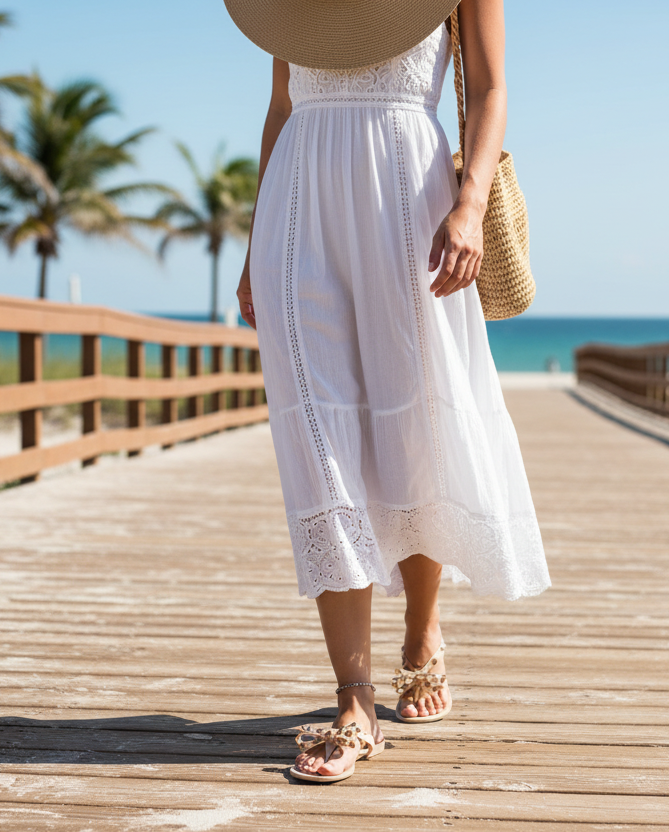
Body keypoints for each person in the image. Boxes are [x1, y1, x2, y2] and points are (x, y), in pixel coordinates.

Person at [225, 0, 550, 783]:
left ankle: (423, 631)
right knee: (318, 437)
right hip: (300, 204)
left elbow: (494, 88)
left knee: (416, 429)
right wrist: (253, 247)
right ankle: (354, 698)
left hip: (410, 196)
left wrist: (469, 203)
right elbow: (280, 107)